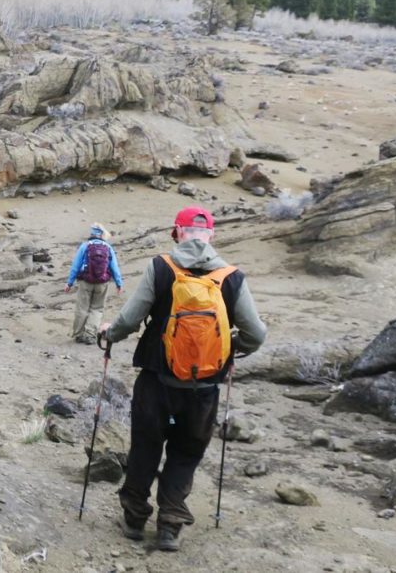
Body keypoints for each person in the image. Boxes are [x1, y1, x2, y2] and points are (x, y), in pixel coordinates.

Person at [98, 206, 266, 552]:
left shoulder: (161, 267)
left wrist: (108, 335)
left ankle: (134, 518)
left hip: (157, 382)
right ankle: (170, 525)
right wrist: (228, 349)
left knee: (145, 447)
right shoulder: (232, 277)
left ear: (177, 232)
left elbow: (130, 319)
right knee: (185, 454)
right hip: (203, 388)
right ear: (211, 235)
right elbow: (256, 334)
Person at [64, 223, 123, 344]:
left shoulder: (85, 246)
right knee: (97, 308)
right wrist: (119, 283)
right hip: (102, 283)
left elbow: (75, 266)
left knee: (82, 308)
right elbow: (114, 268)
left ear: (92, 234)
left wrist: (69, 283)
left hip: (85, 282)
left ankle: (79, 334)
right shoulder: (108, 247)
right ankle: (90, 335)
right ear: (101, 235)